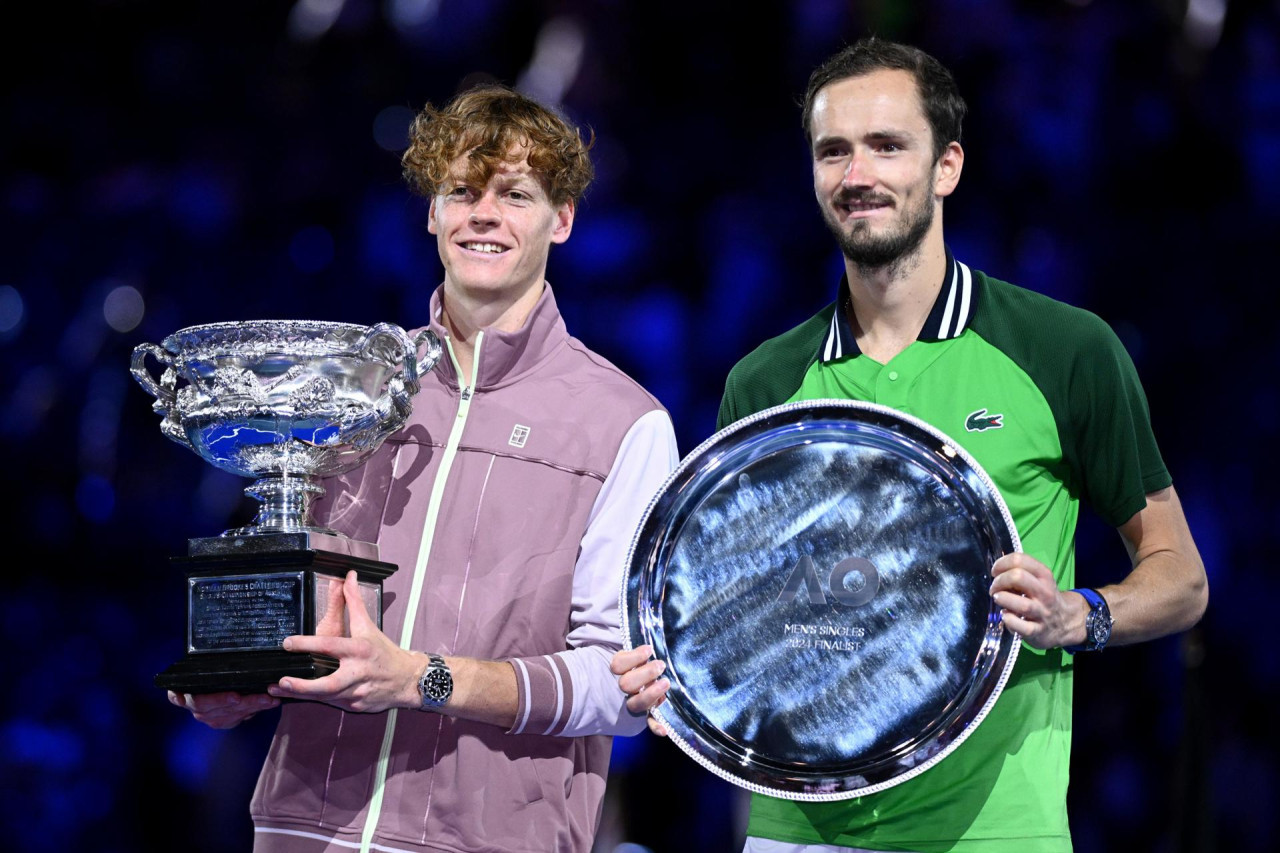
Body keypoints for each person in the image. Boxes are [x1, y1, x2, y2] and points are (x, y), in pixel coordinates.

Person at [612, 37, 1208, 853]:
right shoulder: (765, 381)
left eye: (888, 145)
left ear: (947, 166)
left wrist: (1081, 614)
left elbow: (1181, 576)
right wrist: (679, 670)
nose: (858, 175)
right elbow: (743, 612)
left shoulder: (1063, 349)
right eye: (834, 152)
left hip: (993, 832)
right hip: (797, 829)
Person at [170, 85, 679, 853]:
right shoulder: (354, 387)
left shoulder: (624, 423)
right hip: (304, 830)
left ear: (562, 219)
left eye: (515, 194)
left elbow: (619, 686)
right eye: (461, 191)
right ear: (432, 212)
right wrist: (238, 673)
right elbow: (303, 601)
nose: (484, 214)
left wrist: (419, 677)